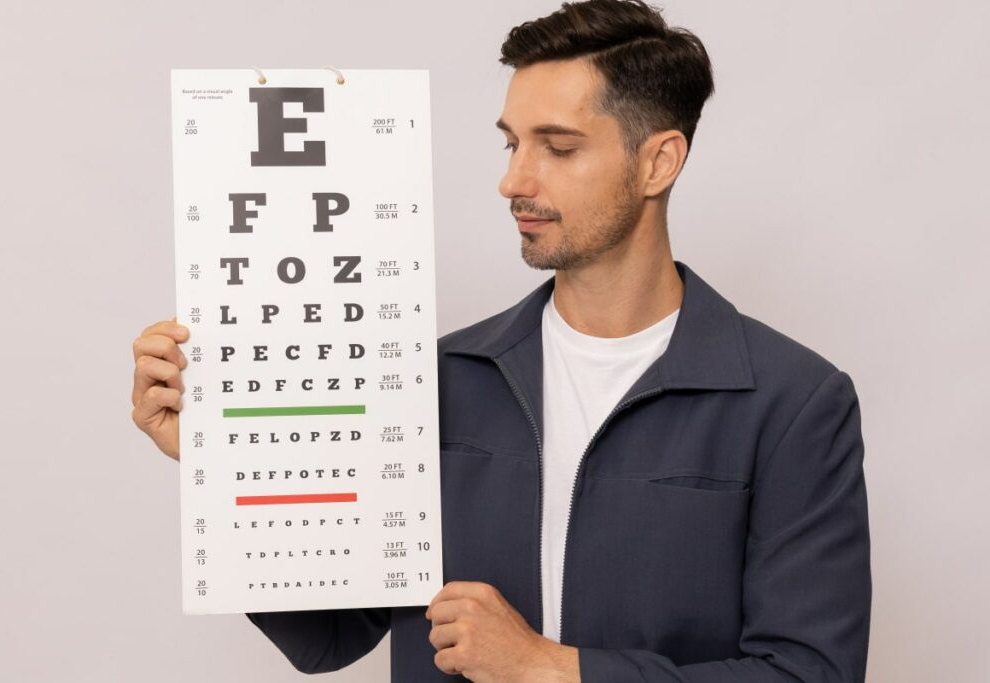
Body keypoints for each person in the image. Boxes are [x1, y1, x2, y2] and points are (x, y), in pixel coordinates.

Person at [131, 0, 871, 680]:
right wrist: (226, 469)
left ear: (658, 162)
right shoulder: (436, 379)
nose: (513, 180)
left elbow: (811, 672)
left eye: (558, 147)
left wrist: (556, 670)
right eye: (512, 143)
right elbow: (328, 633)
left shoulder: (794, 402)